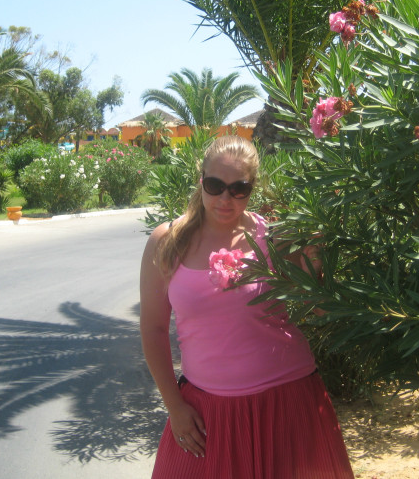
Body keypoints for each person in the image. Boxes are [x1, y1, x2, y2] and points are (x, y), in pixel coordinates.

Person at [140, 135, 354, 478]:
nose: (225, 198)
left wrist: (315, 268)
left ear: (252, 188)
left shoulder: (274, 236)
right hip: (207, 409)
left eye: (239, 189)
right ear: (201, 180)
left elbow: (320, 311)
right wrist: (175, 407)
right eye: (215, 186)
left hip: (287, 400)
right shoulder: (168, 242)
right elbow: (152, 329)